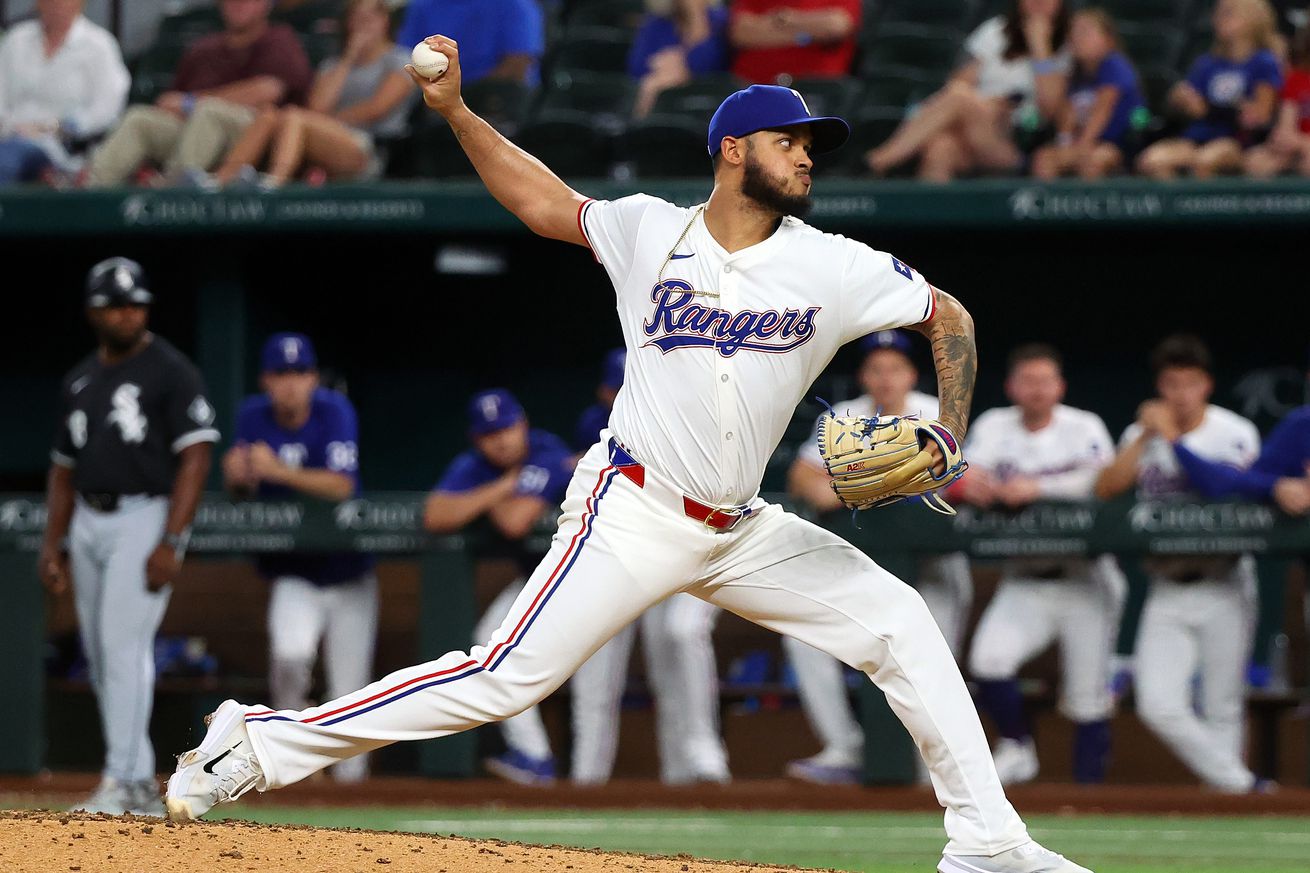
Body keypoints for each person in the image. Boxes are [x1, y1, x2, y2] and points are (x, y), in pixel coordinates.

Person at [165, 38, 1093, 873]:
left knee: (902, 624)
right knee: (503, 676)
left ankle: (988, 842)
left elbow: (950, 316)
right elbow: (542, 201)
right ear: (735, 150)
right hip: (633, 509)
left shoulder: (833, 264)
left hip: (743, 527)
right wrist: (453, 112)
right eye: (791, 140)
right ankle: (252, 742)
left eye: (813, 145)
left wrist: (953, 432)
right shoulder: (652, 229)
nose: (808, 155)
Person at [38, 257, 217, 816]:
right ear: (95, 311)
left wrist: (171, 538)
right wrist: (53, 543)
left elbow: (196, 456)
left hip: (145, 514)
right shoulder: (80, 379)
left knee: (123, 647)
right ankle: (133, 780)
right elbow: (63, 469)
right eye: (116, 305)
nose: (127, 313)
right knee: (99, 651)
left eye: (135, 303)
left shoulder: (170, 370)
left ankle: (126, 780)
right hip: (89, 519)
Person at [783, 329, 973, 785]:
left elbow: (958, 479)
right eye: (876, 368)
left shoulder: (937, 411)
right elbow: (804, 480)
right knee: (804, 640)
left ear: (911, 373)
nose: (886, 377)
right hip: (865, 562)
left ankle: (939, 766)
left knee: (931, 662)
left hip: (934, 564)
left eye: (895, 368)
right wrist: (872, 484)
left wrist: (860, 484)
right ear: (865, 375)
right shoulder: (846, 416)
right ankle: (844, 748)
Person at [1094, 335, 1267, 793]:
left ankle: (1232, 804)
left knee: (1223, 705)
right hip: (1166, 583)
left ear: (1206, 385)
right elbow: (1107, 488)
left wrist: (1171, 437)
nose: (1181, 393)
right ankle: (1240, 786)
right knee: (1157, 704)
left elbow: (1228, 492)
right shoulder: (1141, 433)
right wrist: (1147, 435)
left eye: (1190, 383)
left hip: (1224, 580)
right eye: (1171, 383)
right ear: (1160, 386)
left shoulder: (1234, 432)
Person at [952, 344, 1122, 785]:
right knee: (989, 661)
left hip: (1086, 578)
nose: (1036, 390)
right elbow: (966, 473)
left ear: (1060, 386)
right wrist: (977, 485)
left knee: (1088, 698)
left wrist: (1037, 488)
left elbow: (1103, 483)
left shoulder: (1084, 426)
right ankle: (1017, 745)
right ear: (1012, 387)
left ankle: (1089, 802)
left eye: (1045, 381)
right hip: (1024, 577)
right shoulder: (994, 425)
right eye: (1027, 381)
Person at [568, 348, 731, 786]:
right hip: (614, 562)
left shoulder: (685, 417)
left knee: (676, 648)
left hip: (677, 554)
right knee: (595, 677)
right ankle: (587, 782)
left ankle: (693, 768)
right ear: (606, 392)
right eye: (618, 387)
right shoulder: (595, 424)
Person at [222, 332, 376, 784]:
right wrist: (237, 477)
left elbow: (342, 486)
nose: (291, 384)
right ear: (266, 381)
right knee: (289, 657)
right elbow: (243, 487)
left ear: (313, 378)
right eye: (281, 375)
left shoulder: (334, 410)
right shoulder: (252, 415)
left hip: (350, 572)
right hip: (295, 572)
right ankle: (294, 767)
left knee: (351, 690)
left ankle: (353, 788)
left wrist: (278, 472)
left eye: (300, 374)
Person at [422, 388, 576, 785]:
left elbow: (513, 521)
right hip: (541, 578)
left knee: (594, 689)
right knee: (493, 643)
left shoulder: (546, 450)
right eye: (491, 433)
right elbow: (436, 515)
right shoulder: (477, 466)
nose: (503, 438)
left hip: (588, 575)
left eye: (508, 427)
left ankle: (578, 776)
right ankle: (535, 757)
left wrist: (483, 498)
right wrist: (503, 486)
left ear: (523, 423)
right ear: (477, 440)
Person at [84, 0, 311, 187]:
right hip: (194, 130)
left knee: (209, 112)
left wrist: (191, 103)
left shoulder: (279, 39)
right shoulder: (204, 48)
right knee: (140, 119)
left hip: (254, 133)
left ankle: (171, 189)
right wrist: (176, 104)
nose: (238, 5)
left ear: (265, 5)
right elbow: (172, 100)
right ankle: (91, 188)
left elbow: (268, 91)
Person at [207, 0, 415, 189]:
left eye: (370, 17)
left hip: (369, 146)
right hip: (322, 137)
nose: (363, 24)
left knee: (294, 116)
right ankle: (221, 179)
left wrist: (326, 121)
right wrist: (349, 57)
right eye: (357, 18)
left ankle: (274, 181)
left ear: (385, 21)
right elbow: (317, 107)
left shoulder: (399, 60)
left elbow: (375, 109)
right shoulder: (333, 65)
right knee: (269, 114)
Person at [865, 0, 1070, 181]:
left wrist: (1039, 45)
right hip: (976, 124)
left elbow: (1049, 109)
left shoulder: (1063, 47)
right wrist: (989, 104)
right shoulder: (996, 31)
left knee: (959, 98)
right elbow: (960, 82)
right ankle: (930, 223)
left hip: (1018, 141)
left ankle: (878, 162)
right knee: (941, 147)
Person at [1135, 0, 1283, 180]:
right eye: (1217, 13)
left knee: (1205, 160)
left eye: (1228, 13)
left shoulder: (1263, 62)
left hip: (1235, 141)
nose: (1218, 19)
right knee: (1151, 161)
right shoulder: (1207, 63)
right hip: (1198, 137)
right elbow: (1190, 103)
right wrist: (1180, 99)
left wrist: (1215, 109)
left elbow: (1261, 115)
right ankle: (1178, 205)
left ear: (1252, 19)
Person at [0, 0, 130, 185]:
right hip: (10, 133)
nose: (55, 4)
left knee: (8, 158)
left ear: (80, 3)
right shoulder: (16, 39)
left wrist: (60, 127)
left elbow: (108, 108)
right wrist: (10, 127)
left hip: (57, 146)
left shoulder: (99, 45)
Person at [1030, 7, 1144, 180]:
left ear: (1108, 40)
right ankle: (1051, 205)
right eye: (1073, 32)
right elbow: (1064, 117)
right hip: (1082, 143)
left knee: (1091, 160)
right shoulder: (1074, 74)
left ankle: (1092, 206)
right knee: (1044, 158)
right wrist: (1065, 144)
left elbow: (1102, 112)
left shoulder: (1114, 66)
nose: (1077, 38)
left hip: (1117, 145)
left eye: (1085, 32)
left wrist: (1079, 149)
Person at [395, 0, 544, 86]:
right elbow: (405, 59)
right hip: (435, 101)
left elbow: (517, 66)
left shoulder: (514, 4)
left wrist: (459, 99)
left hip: (498, 104)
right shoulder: (422, 6)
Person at [629, 0, 732, 119]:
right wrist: (666, 67)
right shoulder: (657, 22)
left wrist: (697, 17)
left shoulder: (721, 21)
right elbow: (637, 67)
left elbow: (707, 64)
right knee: (652, 84)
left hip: (707, 97)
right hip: (661, 94)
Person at [727, 0, 861, 84]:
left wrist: (783, 19)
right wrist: (808, 36)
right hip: (752, 85)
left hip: (815, 88)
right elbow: (740, 33)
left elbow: (836, 26)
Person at [1243, 24, 1310, 178]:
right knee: (1257, 160)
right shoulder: (1297, 78)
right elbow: (1286, 126)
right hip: (1296, 146)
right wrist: (1290, 141)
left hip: (1304, 147)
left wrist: (1304, 144)